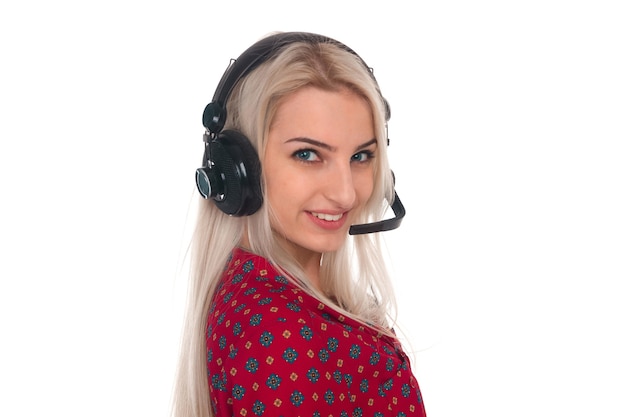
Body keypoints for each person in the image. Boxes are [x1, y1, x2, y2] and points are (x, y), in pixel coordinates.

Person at [172, 31, 427, 417]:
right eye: (308, 154)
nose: (345, 194)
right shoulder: (276, 333)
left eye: (361, 156)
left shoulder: (286, 300)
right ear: (238, 171)